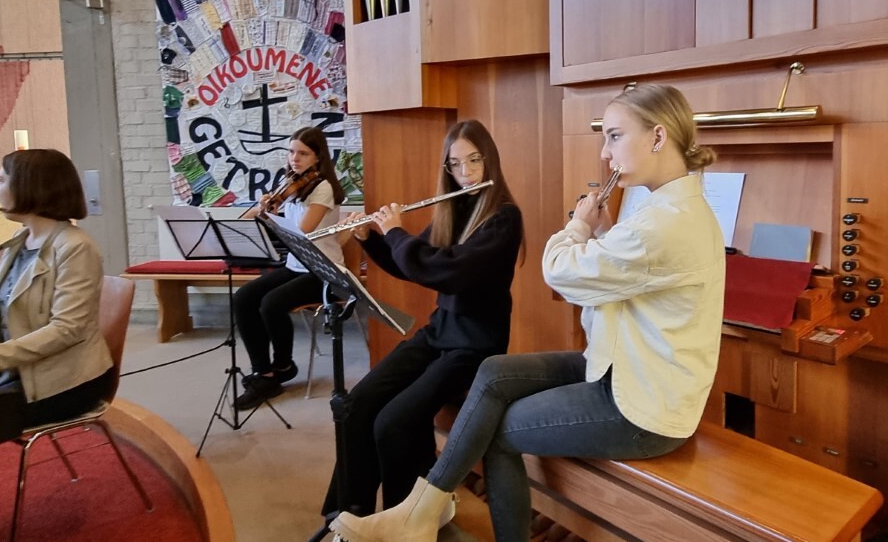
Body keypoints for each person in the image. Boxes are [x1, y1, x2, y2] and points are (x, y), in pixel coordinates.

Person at [329, 83, 726, 542]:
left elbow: (559, 270)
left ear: (657, 136)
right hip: (619, 364)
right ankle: (420, 511)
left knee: (499, 431)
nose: (605, 151)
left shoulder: (663, 222)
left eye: (614, 136)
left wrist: (579, 225)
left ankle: (426, 515)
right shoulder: (663, 208)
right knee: (495, 374)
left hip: (642, 402)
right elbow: (620, 279)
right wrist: (603, 232)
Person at [321, 119, 525, 526]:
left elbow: (449, 271)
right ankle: (349, 511)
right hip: (439, 332)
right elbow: (413, 265)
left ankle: (409, 518)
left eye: (474, 161)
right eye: (456, 164)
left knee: (394, 422)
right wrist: (371, 239)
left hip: (475, 345)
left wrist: (396, 232)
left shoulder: (503, 218)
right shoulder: (455, 209)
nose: (466, 172)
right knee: (358, 404)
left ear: (490, 161)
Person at [0, 149, 113, 542]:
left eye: (1, 179)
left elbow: (65, 330)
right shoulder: (21, 241)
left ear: (31, 186)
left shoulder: (76, 247)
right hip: (14, 372)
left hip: (66, 381)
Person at [232, 126, 345, 409]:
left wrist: (269, 216)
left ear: (318, 157)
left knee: (271, 303)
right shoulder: (292, 183)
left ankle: (283, 366)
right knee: (243, 298)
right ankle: (263, 372)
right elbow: (249, 219)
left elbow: (302, 231)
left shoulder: (322, 188)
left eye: (303, 153)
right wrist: (259, 208)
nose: (295, 158)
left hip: (323, 270)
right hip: (296, 265)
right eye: (292, 151)